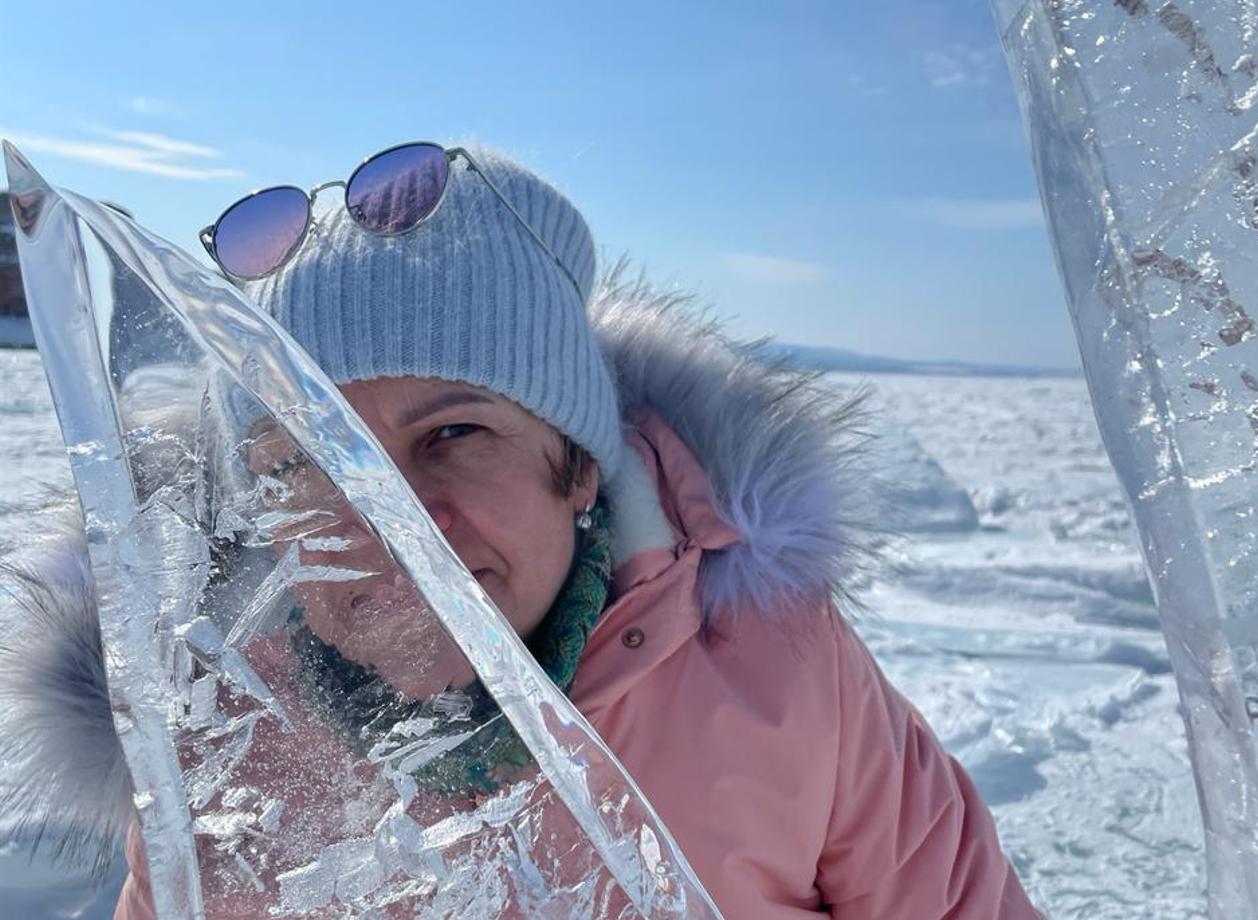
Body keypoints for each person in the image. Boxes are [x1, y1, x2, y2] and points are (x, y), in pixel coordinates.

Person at [0, 142, 1042, 918]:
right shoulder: (210, 741)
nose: (390, 521)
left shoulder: (782, 673)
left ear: (578, 466)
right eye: (307, 463)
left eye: (453, 432)